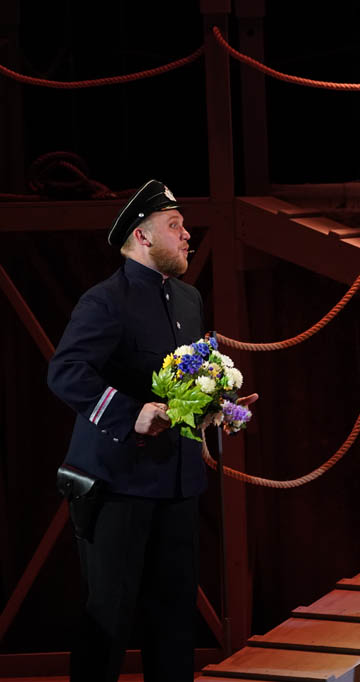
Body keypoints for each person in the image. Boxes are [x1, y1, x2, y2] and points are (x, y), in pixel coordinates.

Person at [48, 180, 255, 681]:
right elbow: (65, 373)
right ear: (142, 236)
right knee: (108, 622)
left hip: (176, 484)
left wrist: (218, 408)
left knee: (175, 624)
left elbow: (183, 383)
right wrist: (130, 413)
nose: (187, 235)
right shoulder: (105, 300)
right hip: (116, 485)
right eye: (174, 225)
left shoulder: (187, 298)